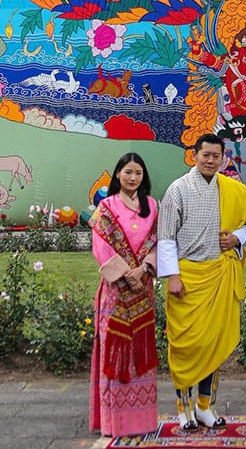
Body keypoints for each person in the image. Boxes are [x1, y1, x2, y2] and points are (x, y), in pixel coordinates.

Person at [157, 133, 246, 430]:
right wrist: (172, 276)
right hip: (186, 279)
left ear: (223, 158)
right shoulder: (178, 190)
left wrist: (236, 238)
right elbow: (165, 237)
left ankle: (205, 406)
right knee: (186, 345)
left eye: (216, 156)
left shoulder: (232, 189)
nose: (211, 160)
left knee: (212, 344)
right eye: (206, 155)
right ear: (194, 155)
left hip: (218, 276)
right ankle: (183, 408)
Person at [89, 152, 158, 439]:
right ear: (118, 174)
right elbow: (101, 247)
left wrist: (144, 268)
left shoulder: (152, 206)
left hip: (143, 288)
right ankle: (114, 422)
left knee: (139, 350)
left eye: (138, 173)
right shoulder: (105, 207)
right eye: (128, 172)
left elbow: (158, 241)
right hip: (115, 292)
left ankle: (141, 421)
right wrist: (127, 275)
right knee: (114, 349)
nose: (133, 178)